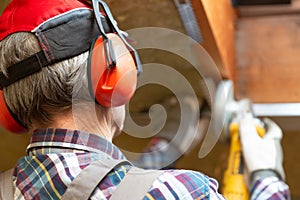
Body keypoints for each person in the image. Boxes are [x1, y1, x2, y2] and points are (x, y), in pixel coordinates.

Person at [0, 0, 290, 199]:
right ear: (112, 73)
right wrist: (267, 174)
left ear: (9, 107)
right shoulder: (185, 192)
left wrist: (165, 151)